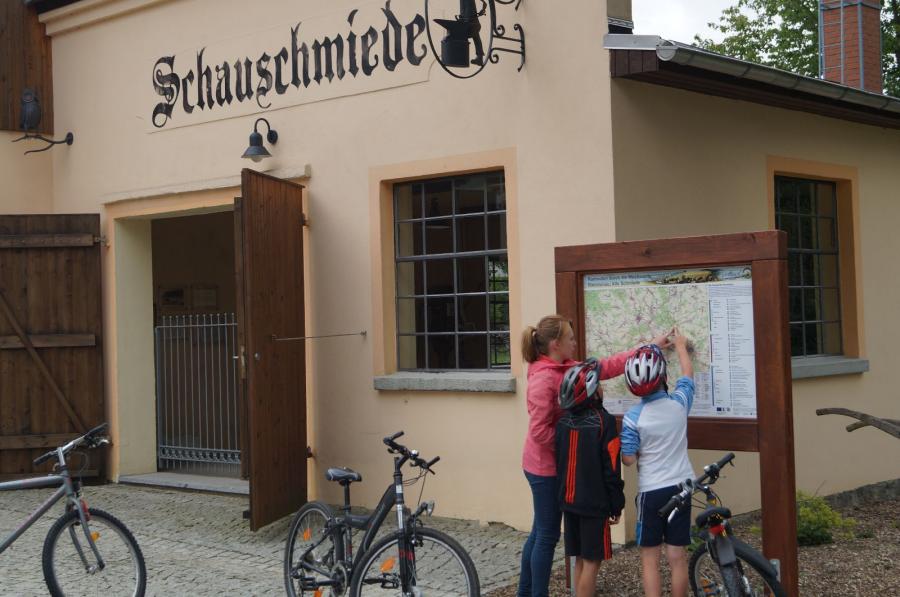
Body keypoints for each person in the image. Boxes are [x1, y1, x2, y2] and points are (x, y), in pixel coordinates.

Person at [517, 315, 670, 597]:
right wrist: (575, 447)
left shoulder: (567, 367)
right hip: (545, 469)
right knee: (547, 535)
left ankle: (525, 592)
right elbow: (540, 432)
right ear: (555, 344)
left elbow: (609, 365)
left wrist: (651, 347)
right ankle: (534, 593)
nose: (576, 343)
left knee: (540, 531)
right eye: (571, 339)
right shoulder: (543, 378)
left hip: (559, 466)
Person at [620, 331, 695, 597]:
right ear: (663, 376)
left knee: (650, 559)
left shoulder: (632, 418)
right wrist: (681, 347)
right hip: (682, 487)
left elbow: (627, 460)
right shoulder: (678, 405)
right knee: (677, 557)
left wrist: (639, 451)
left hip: (651, 492)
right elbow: (687, 376)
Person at [555, 359, 625, 597]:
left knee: (580, 560)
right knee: (593, 562)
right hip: (594, 505)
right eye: (600, 385)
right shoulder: (604, 422)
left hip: (568, 502)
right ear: (593, 392)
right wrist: (616, 503)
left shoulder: (562, 422)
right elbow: (612, 467)